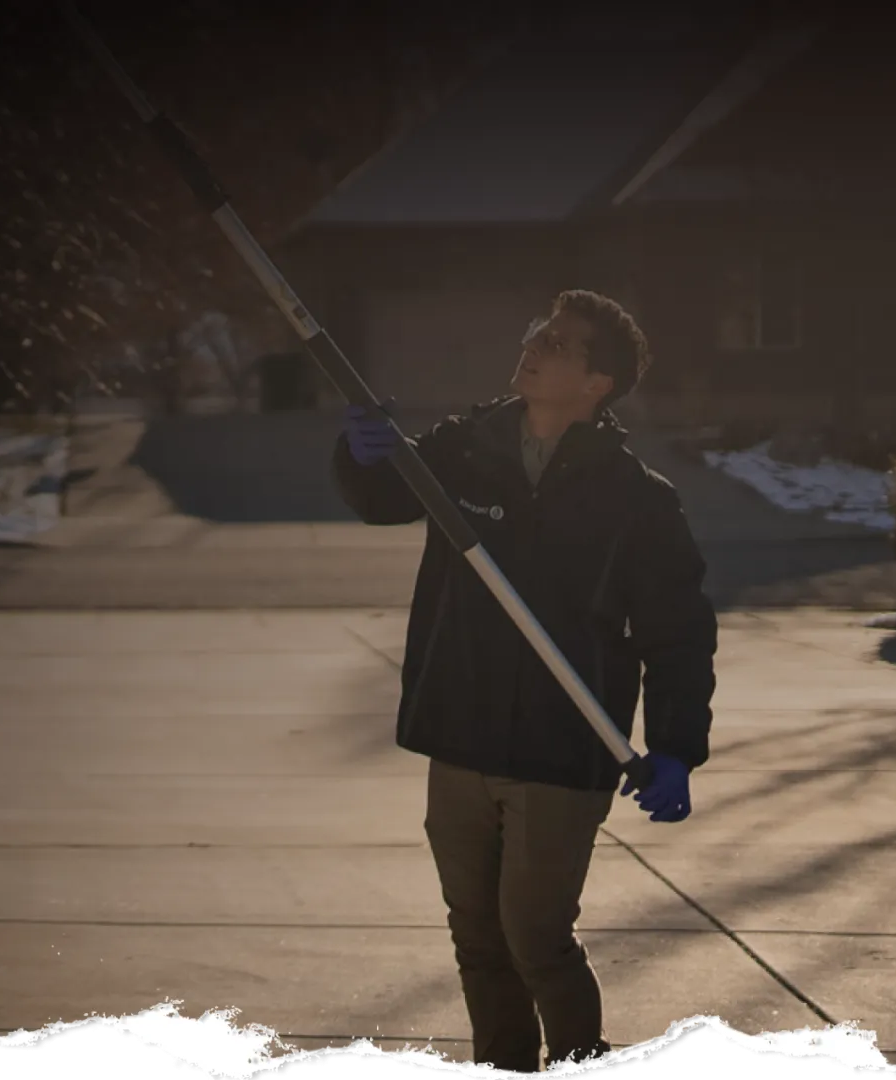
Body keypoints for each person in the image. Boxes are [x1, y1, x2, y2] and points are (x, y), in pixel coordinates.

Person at [331, 289, 718, 1073]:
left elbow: (677, 633)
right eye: (539, 331)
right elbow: (383, 500)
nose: (536, 345)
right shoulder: (464, 450)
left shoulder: (635, 499)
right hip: (462, 735)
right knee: (478, 940)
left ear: (598, 383)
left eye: (561, 344)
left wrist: (677, 747)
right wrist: (360, 455)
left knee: (536, 938)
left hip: (562, 749)